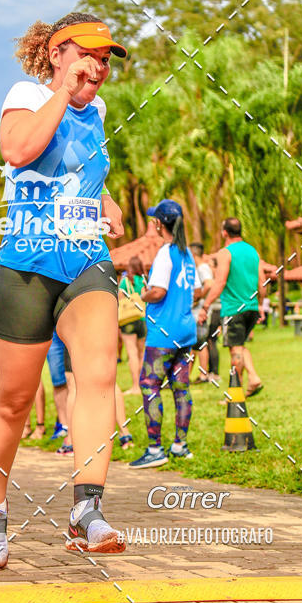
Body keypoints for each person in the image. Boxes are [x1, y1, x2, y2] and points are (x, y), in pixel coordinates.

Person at [0, 12, 127, 568]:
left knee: (98, 375)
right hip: (26, 267)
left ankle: (85, 510)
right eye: (88, 54)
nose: (98, 66)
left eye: (107, 58)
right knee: (15, 401)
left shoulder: (100, 111)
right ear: (57, 52)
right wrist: (62, 95)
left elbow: (85, 171)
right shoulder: (27, 93)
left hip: (85, 260)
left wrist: (105, 202)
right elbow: (19, 150)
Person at [129, 200, 198, 469]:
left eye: (154, 220)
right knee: (181, 388)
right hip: (185, 331)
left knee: (149, 385)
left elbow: (158, 291)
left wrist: (143, 295)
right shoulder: (187, 254)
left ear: (160, 223)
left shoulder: (165, 253)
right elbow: (198, 289)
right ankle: (180, 445)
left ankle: (155, 448)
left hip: (163, 333)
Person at [198, 217, 265, 397]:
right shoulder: (253, 251)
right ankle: (253, 377)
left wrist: (205, 305)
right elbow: (262, 283)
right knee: (240, 346)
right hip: (251, 307)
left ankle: (235, 396)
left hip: (233, 309)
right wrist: (261, 305)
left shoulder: (225, 253)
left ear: (224, 232)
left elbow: (219, 282)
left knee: (235, 350)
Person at [118, 257, 146, 395]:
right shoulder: (144, 280)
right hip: (143, 318)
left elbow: (119, 299)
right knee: (142, 353)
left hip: (128, 319)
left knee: (132, 353)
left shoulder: (125, 281)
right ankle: (142, 384)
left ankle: (135, 386)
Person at [189, 242, 214, 384]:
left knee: (201, 344)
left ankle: (203, 375)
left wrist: (199, 298)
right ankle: (190, 375)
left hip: (200, 313)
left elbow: (209, 284)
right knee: (195, 345)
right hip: (197, 312)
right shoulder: (199, 268)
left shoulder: (203, 267)